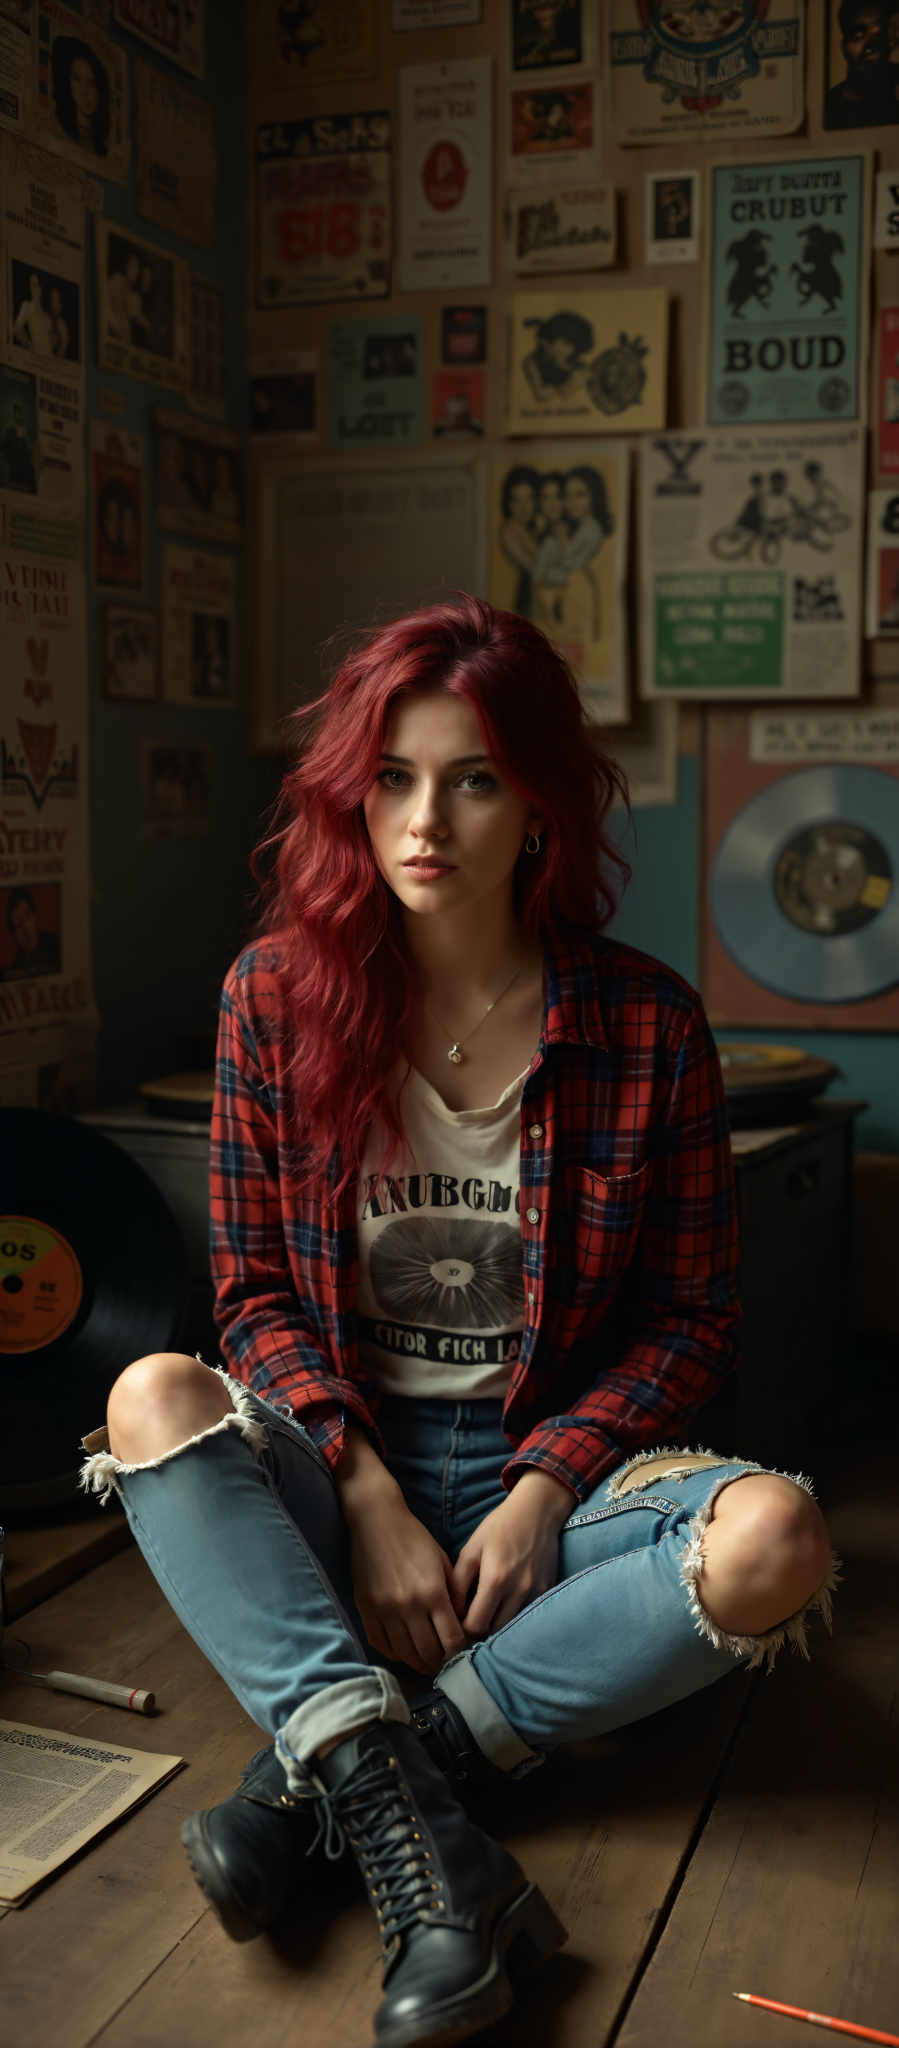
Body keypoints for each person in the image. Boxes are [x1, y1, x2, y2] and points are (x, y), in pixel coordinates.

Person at [80, 598, 838, 2048]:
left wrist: (547, 1485)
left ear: (542, 801)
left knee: (777, 1544)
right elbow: (248, 1298)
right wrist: (362, 1493)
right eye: (393, 776)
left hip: (559, 1460)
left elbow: (692, 1320)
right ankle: (450, 1861)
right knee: (150, 1397)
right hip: (336, 1461)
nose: (425, 819)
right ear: (349, 792)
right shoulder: (272, 1004)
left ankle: (331, 1786)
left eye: (475, 778)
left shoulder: (644, 1023)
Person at [824, 0, 899, 127]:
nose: (870, 45)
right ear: (844, 47)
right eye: (858, 35)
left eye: (879, 35)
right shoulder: (830, 106)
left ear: (891, 40)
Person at [51, 35, 111, 157]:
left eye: (91, 83)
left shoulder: (101, 145)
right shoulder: (61, 132)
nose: (85, 92)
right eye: (77, 79)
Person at [2, 888, 61, 979]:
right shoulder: (16, 965)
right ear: (14, 934)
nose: (24, 926)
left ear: (35, 917)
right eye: (18, 924)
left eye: (27, 916)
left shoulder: (57, 945)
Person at [12, 272, 53, 357]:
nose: (33, 288)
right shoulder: (27, 306)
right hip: (38, 356)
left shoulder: (46, 310)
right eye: (32, 284)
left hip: (50, 356)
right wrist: (29, 345)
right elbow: (17, 328)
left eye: (36, 285)